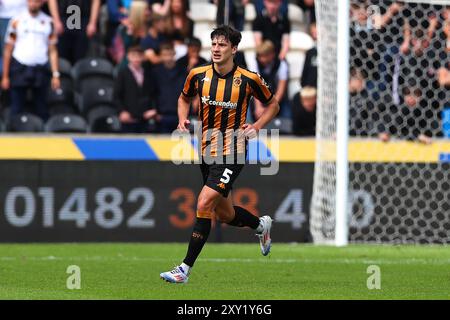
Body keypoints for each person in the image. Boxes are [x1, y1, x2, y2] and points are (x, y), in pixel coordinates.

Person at [160, 25, 280, 284]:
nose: (216, 48)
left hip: (233, 150)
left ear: (234, 49)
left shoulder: (249, 79)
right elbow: (183, 98)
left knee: (203, 203)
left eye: (222, 44)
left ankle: (184, 270)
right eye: (213, 44)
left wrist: (257, 126)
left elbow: (273, 104)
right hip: (206, 150)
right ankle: (261, 226)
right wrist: (182, 120)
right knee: (225, 214)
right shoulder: (197, 74)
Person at [1, 0, 60, 121]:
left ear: (42, 3)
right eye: (31, 1)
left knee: (42, 109)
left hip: (40, 68)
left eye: (37, 1)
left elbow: (53, 51)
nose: (33, 4)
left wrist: (55, 74)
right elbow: (8, 50)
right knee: (16, 108)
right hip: (20, 67)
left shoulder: (49, 22)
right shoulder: (17, 21)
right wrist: (5, 76)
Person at [115, 46, 157, 133]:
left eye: (139, 56)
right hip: (128, 117)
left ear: (142, 57)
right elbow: (116, 95)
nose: (136, 59)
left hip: (145, 117)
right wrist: (122, 111)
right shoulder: (123, 73)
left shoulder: (147, 73)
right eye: (133, 56)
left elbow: (152, 94)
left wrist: (153, 109)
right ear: (128, 57)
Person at [47, 0, 101, 65]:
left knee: (81, 58)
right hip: (63, 19)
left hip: (83, 19)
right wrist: (56, 20)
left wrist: (93, 22)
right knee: (62, 60)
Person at [247, 40, 288, 120]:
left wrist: (270, 109)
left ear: (272, 54)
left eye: (265, 56)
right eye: (260, 56)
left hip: (276, 97)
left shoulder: (282, 64)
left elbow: (280, 90)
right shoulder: (254, 63)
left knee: (287, 116)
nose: (262, 59)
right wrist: (258, 107)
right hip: (257, 97)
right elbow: (254, 87)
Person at [151, 41, 185, 133]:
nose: (168, 57)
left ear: (174, 53)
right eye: (165, 55)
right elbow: (152, 93)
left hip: (180, 116)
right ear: (161, 56)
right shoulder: (155, 72)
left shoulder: (183, 71)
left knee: (180, 146)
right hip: (162, 116)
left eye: (170, 54)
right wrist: (155, 112)